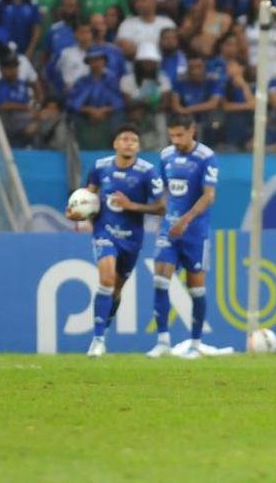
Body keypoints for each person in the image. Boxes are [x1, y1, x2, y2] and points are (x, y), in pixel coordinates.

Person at [67, 124, 165, 358]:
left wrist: (133, 206)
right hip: (105, 232)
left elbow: (162, 207)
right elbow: (87, 196)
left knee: (116, 290)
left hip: (131, 239)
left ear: (138, 146)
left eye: (133, 139)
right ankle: (97, 340)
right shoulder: (100, 167)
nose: (129, 143)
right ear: (115, 144)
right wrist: (76, 212)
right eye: (124, 139)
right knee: (107, 279)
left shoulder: (148, 172)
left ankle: (104, 331)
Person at [147, 113, 218, 359]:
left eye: (180, 135)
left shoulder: (206, 157)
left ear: (192, 130)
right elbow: (165, 190)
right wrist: (162, 220)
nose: (175, 140)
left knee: (196, 290)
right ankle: (163, 341)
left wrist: (185, 220)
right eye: (172, 135)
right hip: (169, 230)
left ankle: (196, 344)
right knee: (160, 281)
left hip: (195, 233)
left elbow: (209, 196)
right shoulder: (166, 155)